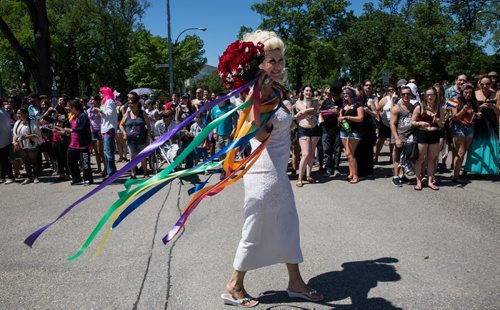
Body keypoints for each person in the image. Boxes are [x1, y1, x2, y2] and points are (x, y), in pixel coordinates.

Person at [222, 30, 323, 308]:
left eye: (280, 60)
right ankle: (235, 283)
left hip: (276, 167)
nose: (278, 66)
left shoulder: (277, 90)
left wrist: (297, 117)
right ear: (259, 64)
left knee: (287, 224)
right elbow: (258, 130)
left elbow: (279, 129)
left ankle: (295, 282)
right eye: (272, 61)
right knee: (256, 226)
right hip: (263, 170)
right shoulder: (253, 94)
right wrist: (260, 94)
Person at [465, 76, 499, 175]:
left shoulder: (495, 95)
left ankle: (487, 170)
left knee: (490, 145)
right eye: (482, 84)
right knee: (475, 146)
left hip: (490, 123)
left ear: (491, 83)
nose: (485, 86)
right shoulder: (474, 94)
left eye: (487, 84)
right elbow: (469, 109)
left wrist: (493, 106)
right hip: (477, 122)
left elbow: (498, 112)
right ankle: (474, 168)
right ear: (479, 84)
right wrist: (480, 107)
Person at [412, 87, 444, 190]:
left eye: (432, 95)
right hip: (423, 133)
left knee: (431, 159)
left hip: (434, 134)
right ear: (425, 96)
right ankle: (418, 181)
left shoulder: (439, 108)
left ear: (436, 96)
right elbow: (412, 122)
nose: (430, 97)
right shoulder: (420, 107)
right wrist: (420, 122)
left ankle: (430, 181)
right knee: (420, 159)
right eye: (428, 95)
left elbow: (442, 124)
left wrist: (438, 120)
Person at [57, 100, 93, 185]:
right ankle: (76, 178)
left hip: (82, 144)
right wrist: (61, 130)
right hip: (73, 144)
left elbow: (82, 129)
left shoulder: (83, 116)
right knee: (71, 162)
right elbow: (70, 129)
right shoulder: (73, 116)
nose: (68, 108)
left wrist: (71, 130)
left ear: (74, 107)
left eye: (70, 107)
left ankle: (88, 179)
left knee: (85, 164)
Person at [119, 91, 151, 179]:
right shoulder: (127, 114)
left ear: (137, 104)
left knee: (143, 156)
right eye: (129, 104)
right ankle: (133, 173)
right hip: (131, 139)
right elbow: (121, 124)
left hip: (142, 139)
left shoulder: (142, 113)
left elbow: (148, 126)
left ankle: (145, 172)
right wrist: (124, 133)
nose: (130, 105)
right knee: (133, 156)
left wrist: (148, 136)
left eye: (132, 104)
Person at [450, 83, 478, 184]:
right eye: (466, 92)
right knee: (460, 152)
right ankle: (455, 176)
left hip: (470, 127)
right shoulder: (454, 100)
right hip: (458, 127)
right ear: (462, 92)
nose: (468, 95)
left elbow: (475, 113)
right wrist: (462, 110)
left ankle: (458, 174)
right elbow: (454, 117)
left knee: (463, 152)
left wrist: (477, 115)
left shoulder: (473, 101)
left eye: (470, 93)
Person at [390, 86, 417, 187]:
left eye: (408, 94)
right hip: (399, 135)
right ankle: (395, 177)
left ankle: (402, 175)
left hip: (409, 136)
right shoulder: (397, 108)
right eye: (403, 94)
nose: (406, 96)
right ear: (400, 95)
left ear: (411, 95)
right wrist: (396, 138)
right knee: (397, 157)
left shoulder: (413, 107)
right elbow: (392, 124)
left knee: (405, 157)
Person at [294, 86, 321, 187]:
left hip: (314, 129)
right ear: (303, 92)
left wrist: (317, 109)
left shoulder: (315, 102)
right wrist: (314, 108)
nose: (308, 92)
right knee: (305, 154)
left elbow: (316, 113)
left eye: (310, 91)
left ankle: (309, 175)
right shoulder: (299, 102)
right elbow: (305, 110)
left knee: (311, 153)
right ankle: (300, 177)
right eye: (306, 90)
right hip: (303, 129)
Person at [339, 87, 364, 184]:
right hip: (344, 130)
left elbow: (360, 118)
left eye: (347, 93)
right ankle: (351, 173)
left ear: (351, 94)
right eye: (343, 93)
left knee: (350, 154)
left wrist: (347, 117)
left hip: (354, 131)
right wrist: (340, 119)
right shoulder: (343, 105)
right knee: (348, 154)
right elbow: (340, 117)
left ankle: (356, 176)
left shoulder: (358, 105)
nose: (345, 94)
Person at [12, 108, 42, 184]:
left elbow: (37, 135)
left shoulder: (32, 122)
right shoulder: (17, 123)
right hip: (22, 145)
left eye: (20, 113)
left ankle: (36, 177)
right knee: (26, 162)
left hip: (31, 145)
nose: (18, 115)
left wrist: (27, 137)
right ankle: (29, 177)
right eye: (17, 113)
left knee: (34, 161)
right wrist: (14, 141)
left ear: (25, 114)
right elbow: (15, 134)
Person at [319, 81, 343, 177]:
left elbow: (346, 113)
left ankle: (336, 168)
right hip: (326, 129)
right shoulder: (326, 102)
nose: (336, 97)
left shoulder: (342, 102)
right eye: (334, 95)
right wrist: (328, 113)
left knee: (337, 151)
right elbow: (321, 114)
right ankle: (328, 168)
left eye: (338, 95)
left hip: (338, 130)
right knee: (327, 150)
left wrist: (338, 113)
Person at [98, 86, 118, 179]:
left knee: (108, 152)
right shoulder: (105, 101)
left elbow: (109, 114)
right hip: (105, 128)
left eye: (101, 92)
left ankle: (111, 172)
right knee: (106, 151)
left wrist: (99, 110)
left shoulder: (109, 101)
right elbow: (104, 115)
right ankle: (110, 170)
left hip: (109, 128)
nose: (100, 94)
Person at [88, 96, 104, 174]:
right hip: (92, 132)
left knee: (100, 150)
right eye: (90, 99)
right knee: (96, 152)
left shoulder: (100, 109)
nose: (91, 101)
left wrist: (98, 112)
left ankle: (106, 168)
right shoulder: (89, 110)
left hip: (99, 131)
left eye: (93, 99)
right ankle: (99, 168)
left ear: (97, 101)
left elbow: (104, 117)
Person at [0, 105, 15, 184]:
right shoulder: (4, 113)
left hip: (2, 140)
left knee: (4, 160)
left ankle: (10, 177)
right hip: (5, 139)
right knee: (3, 160)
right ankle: (2, 177)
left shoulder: (2, 113)